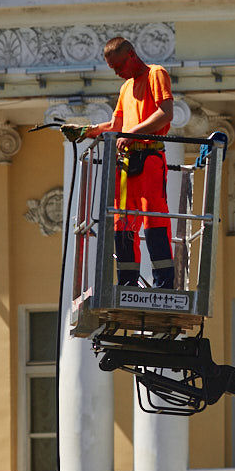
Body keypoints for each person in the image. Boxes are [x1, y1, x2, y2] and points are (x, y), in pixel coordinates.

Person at [63, 37, 176, 289]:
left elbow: (165, 113)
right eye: (113, 69)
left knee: (154, 220)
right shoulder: (126, 88)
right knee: (122, 222)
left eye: (119, 66)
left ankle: (164, 283)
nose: (117, 73)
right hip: (126, 163)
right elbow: (116, 126)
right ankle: (127, 283)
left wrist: (131, 134)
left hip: (149, 157)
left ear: (131, 55)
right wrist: (86, 131)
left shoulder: (155, 74)